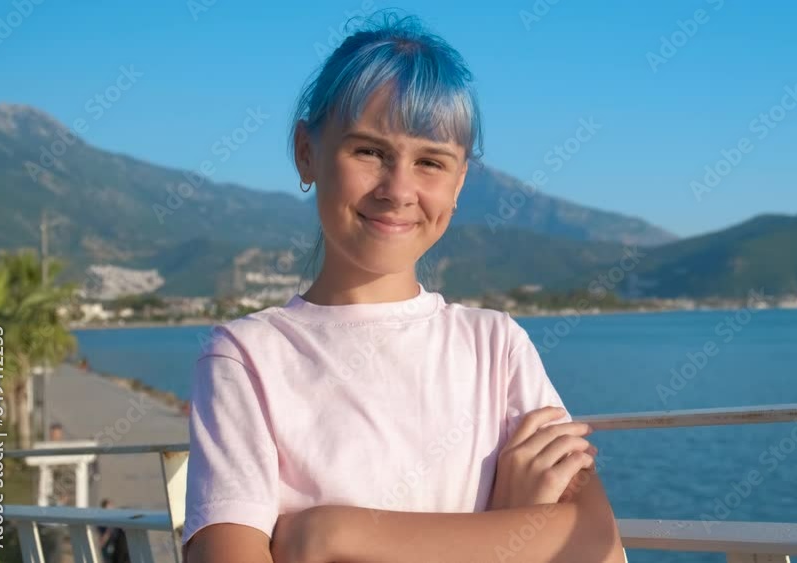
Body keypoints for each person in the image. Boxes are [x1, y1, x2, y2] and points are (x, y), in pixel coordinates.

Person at [182, 12, 625, 563]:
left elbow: (596, 544)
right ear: (306, 152)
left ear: (460, 182)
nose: (399, 189)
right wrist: (509, 530)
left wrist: (328, 535)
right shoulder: (246, 359)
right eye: (369, 151)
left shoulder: (497, 346)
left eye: (431, 162)